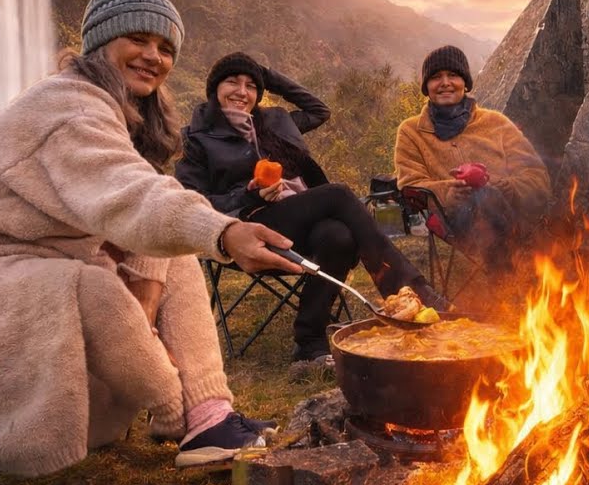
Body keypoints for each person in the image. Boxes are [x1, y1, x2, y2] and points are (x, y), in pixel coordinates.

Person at [0, 0, 301, 474]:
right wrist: (224, 232)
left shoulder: (111, 109)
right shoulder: (68, 105)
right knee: (93, 285)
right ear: (101, 41)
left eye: (165, 48)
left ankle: (209, 414)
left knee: (172, 249)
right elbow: (125, 191)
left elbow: (136, 196)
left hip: (18, 255)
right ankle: (178, 411)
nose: (154, 57)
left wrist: (174, 255)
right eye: (138, 39)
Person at [175, 52, 447, 364]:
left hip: (301, 225)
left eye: (251, 85)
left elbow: (319, 110)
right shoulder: (198, 138)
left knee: (338, 236)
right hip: (248, 232)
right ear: (214, 89)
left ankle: (309, 341)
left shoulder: (276, 121)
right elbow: (192, 202)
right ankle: (411, 291)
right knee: (339, 195)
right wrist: (250, 196)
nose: (242, 91)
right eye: (232, 82)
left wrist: (265, 74)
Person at [394, 45, 551, 273]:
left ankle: (502, 274)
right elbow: (410, 184)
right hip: (455, 222)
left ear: (465, 83)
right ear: (426, 87)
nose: (445, 82)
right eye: (436, 77)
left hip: (511, 216)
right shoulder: (411, 131)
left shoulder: (496, 123)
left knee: (488, 195)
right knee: (483, 196)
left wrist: (508, 186)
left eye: (453, 75)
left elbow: (537, 177)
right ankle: (503, 275)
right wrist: (448, 191)